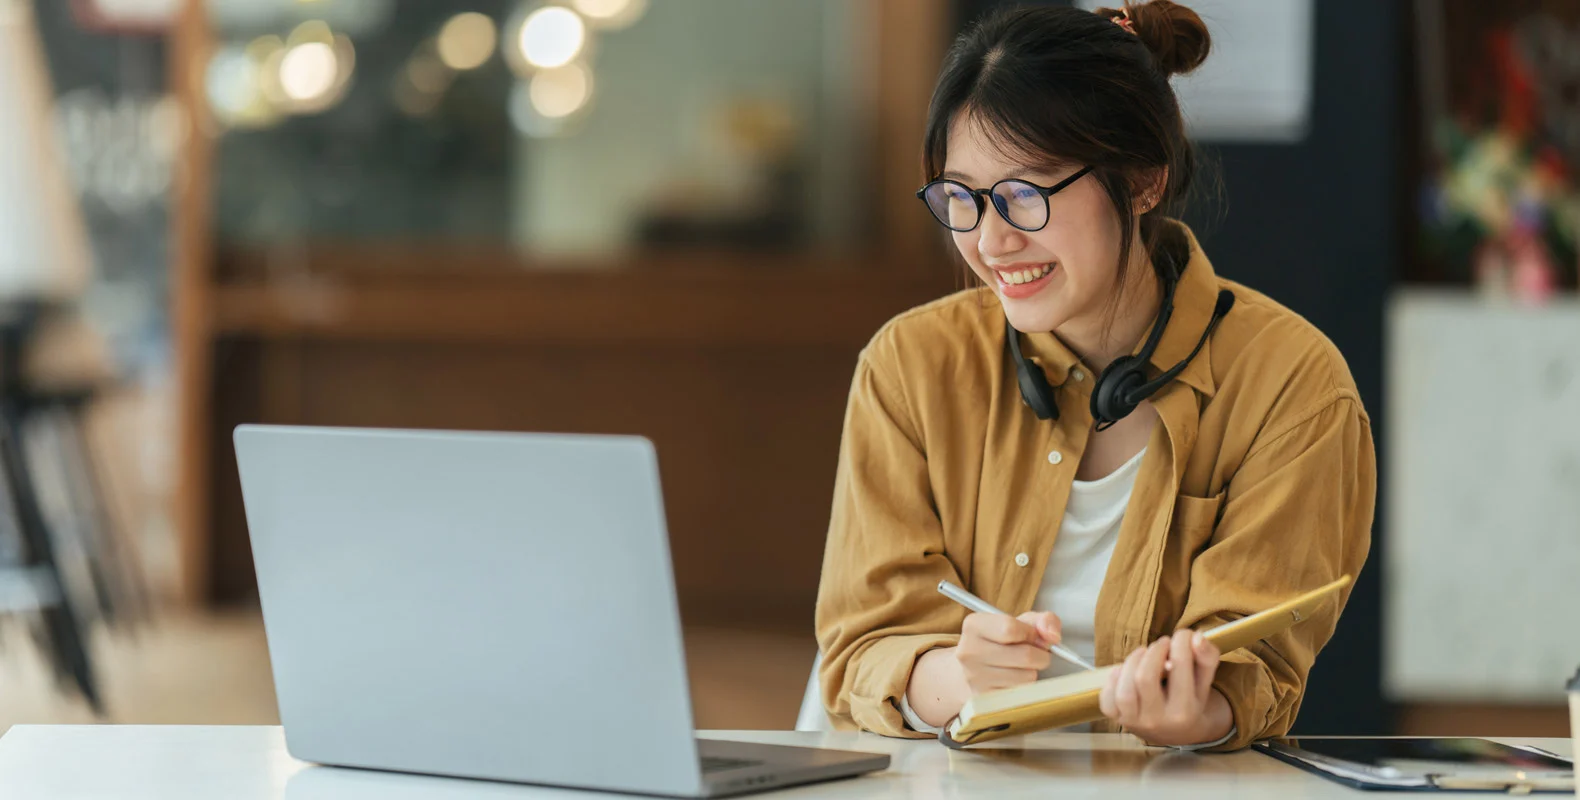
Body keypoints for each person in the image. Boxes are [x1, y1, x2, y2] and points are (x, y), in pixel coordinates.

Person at [814, 1, 1375, 750]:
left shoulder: (1292, 386)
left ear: (1143, 180)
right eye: (962, 197)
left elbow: (1256, 671)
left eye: (1024, 193)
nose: (991, 239)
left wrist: (1194, 714)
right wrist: (955, 676)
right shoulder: (910, 368)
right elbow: (861, 648)